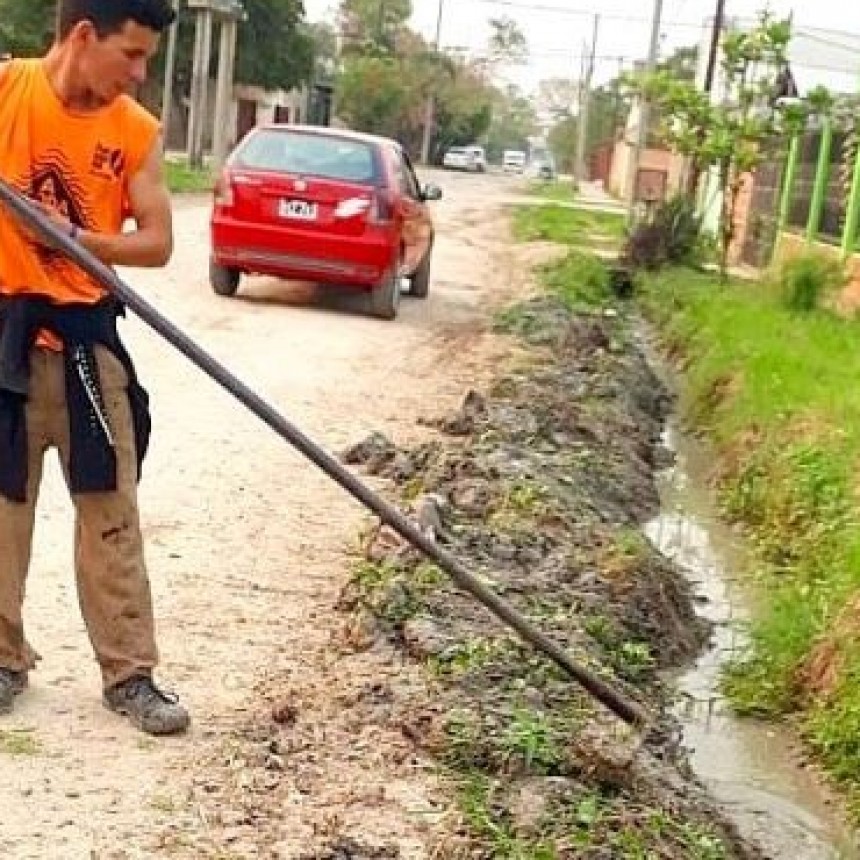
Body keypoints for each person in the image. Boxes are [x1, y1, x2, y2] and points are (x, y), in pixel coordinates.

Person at [0, 0, 189, 735]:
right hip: (7, 337)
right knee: (3, 510)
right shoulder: (8, 91)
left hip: (87, 342)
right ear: (83, 36)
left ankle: (130, 675)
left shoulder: (133, 131)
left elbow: (160, 241)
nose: (139, 74)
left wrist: (83, 239)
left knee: (110, 510)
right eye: (132, 55)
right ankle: (3, 661)